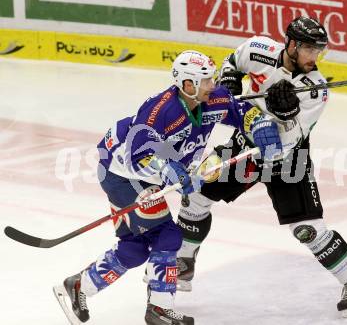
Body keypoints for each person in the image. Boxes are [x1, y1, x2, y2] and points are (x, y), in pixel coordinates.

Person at [52, 50, 284, 325]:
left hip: (144, 174)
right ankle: (159, 308)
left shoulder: (213, 98)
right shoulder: (160, 110)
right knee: (169, 236)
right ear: (188, 85)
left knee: (135, 248)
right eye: (207, 80)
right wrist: (167, 169)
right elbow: (139, 153)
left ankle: (80, 285)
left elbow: (240, 111)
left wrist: (260, 126)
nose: (214, 84)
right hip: (125, 174)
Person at [172, 17, 347, 318]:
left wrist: (286, 113)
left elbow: (289, 141)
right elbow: (232, 62)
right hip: (247, 145)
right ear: (291, 44)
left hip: (287, 158)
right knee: (196, 195)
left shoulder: (315, 89)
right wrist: (229, 83)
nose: (313, 58)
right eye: (308, 50)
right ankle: (185, 262)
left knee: (307, 230)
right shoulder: (258, 49)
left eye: (318, 51)